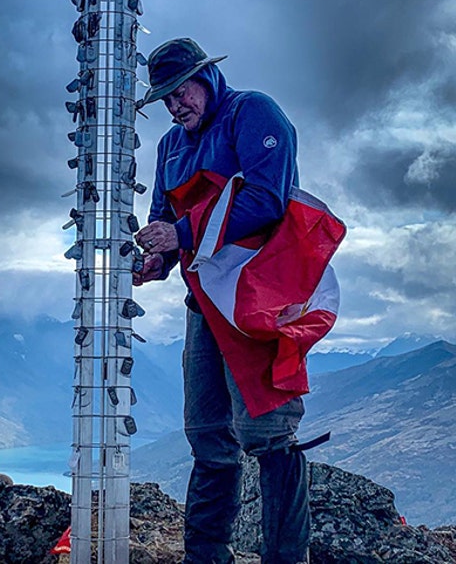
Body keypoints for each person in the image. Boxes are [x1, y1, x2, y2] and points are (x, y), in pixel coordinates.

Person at [133, 37, 310, 563]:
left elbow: (266, 198)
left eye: (179, 91)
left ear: (206, 78)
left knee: (269, 431)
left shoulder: (251, 113)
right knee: (207, 431)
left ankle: (285, 558)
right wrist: (157, 259)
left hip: (258, 297)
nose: (174, 105)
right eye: (164, 97)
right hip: (204, 305)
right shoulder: (169, 147)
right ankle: (206, 556)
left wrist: (180, 235)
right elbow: (165, 220)